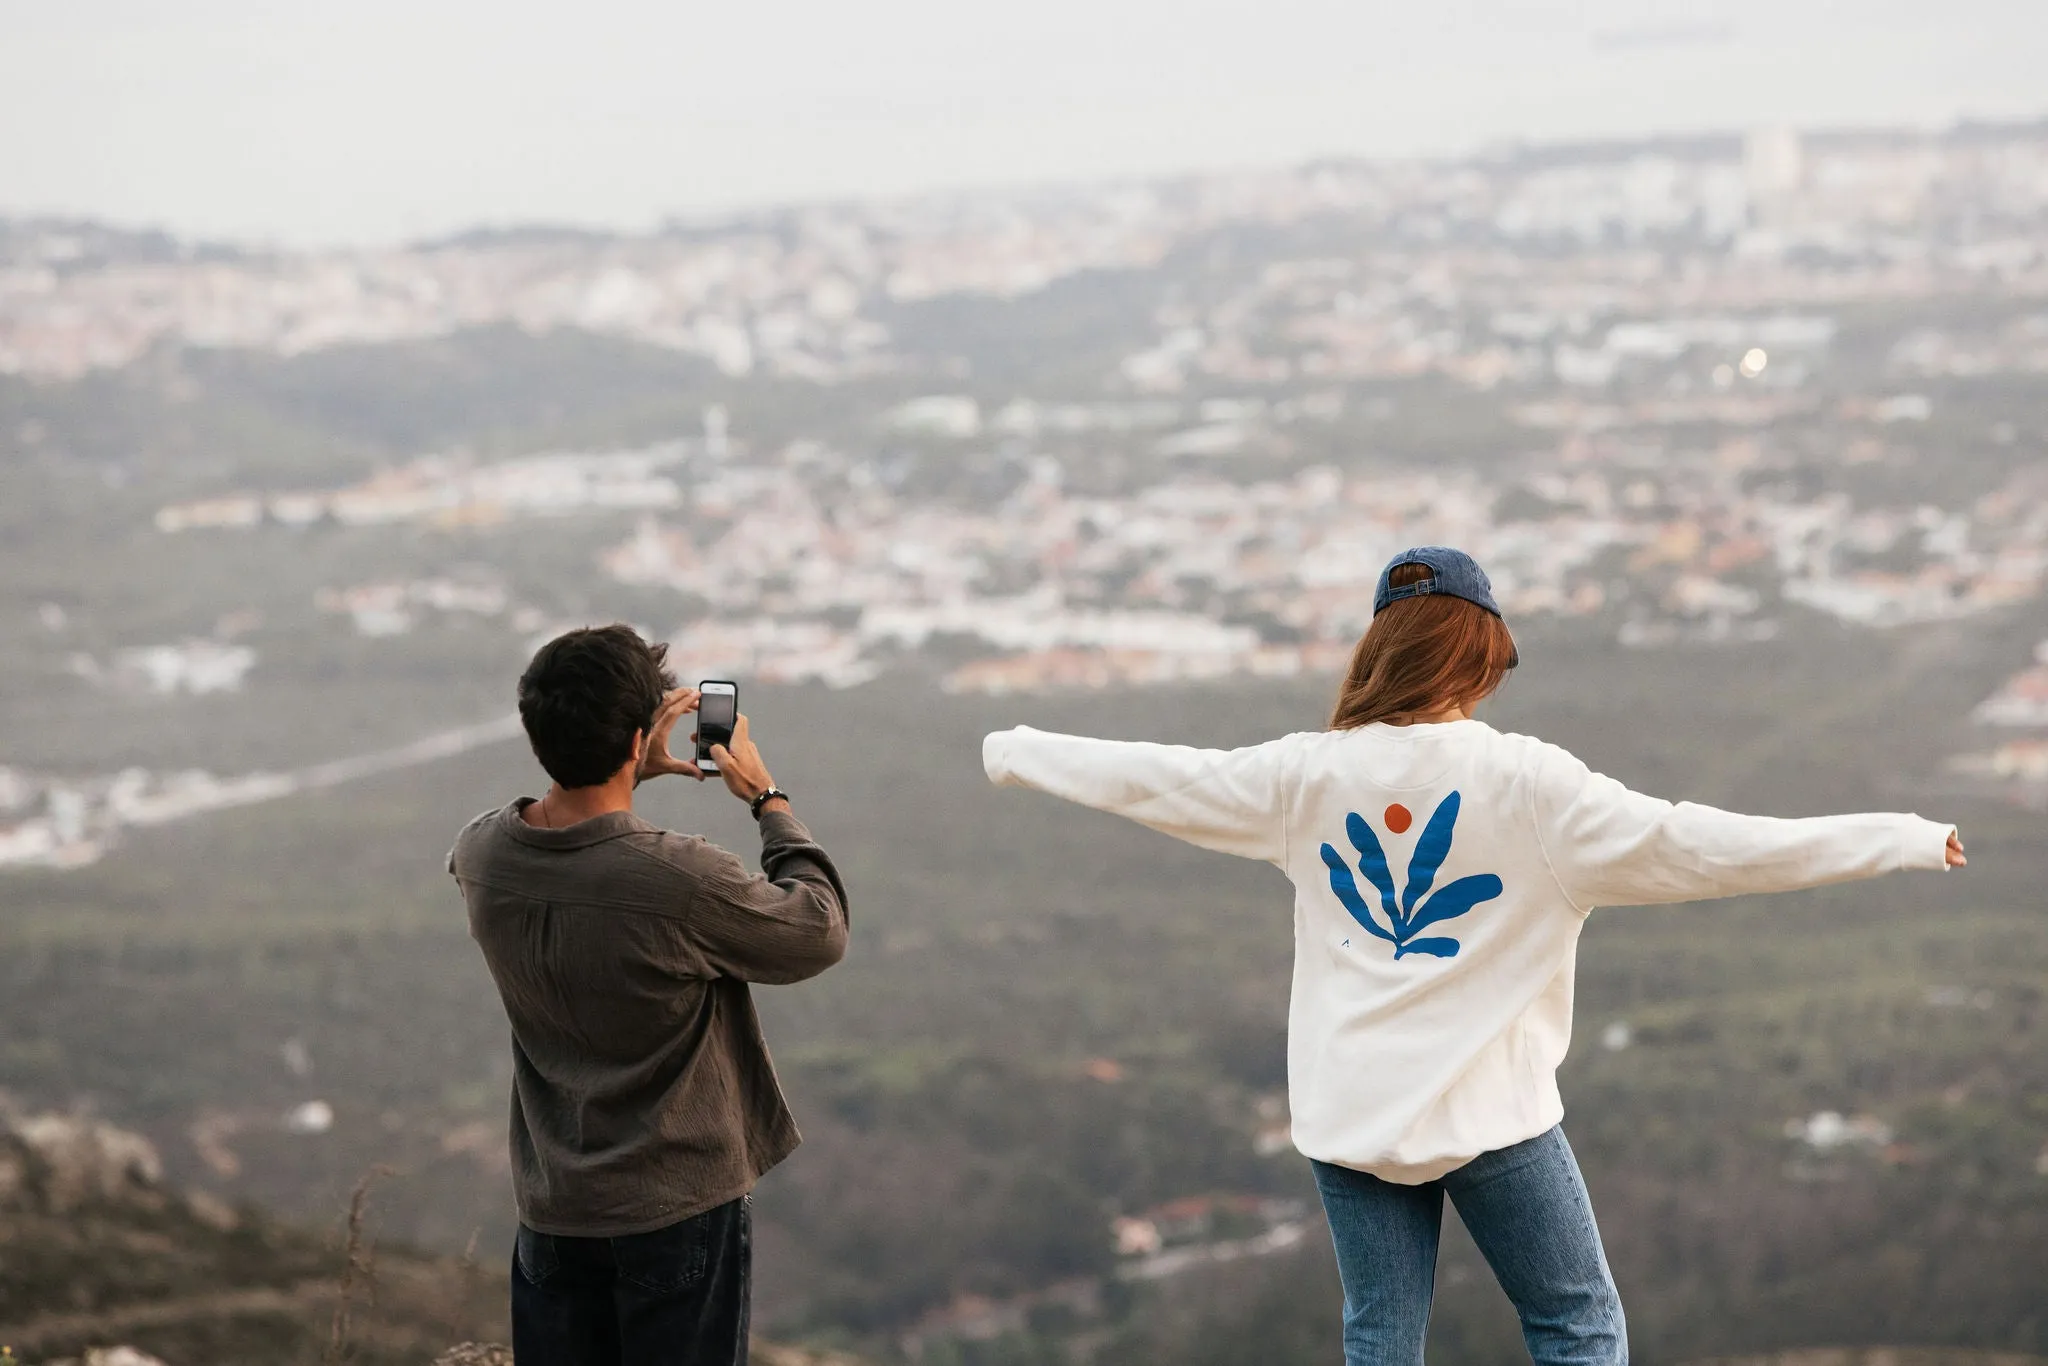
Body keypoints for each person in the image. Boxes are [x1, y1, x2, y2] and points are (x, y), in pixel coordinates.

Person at [980, 547, 1964, 1366]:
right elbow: (1706, 844)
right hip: (1489, 1115)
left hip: (1350, 1115)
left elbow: (1154, 779)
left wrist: (1016, 746)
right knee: (1574, 1325)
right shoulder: (1531, 786)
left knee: (1379, 1340)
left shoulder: (1302, 778)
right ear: (1478, 655)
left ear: (1381, 649)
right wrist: (1901, 836)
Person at [448, 624, 849, 1366]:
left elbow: (563, 835)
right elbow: (818, 929)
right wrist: (767, 797)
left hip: (554, 1210)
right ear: (640, 738)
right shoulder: (677, 879)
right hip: (676, 1210)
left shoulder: (481, 855)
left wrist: (623, 773)